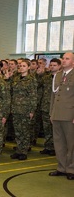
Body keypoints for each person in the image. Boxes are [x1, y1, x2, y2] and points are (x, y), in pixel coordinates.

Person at [49, 52, 74, 180]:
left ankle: (71, 169)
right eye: (63, 58)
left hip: (70, 115)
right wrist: (51, 113)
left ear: (73, 62)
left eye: (67, 59)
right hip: (57, 114)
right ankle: (61, 167)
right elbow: (53, 96)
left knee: (71, 144)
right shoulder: (58, 75)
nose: (64, 61)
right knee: (59, 143)